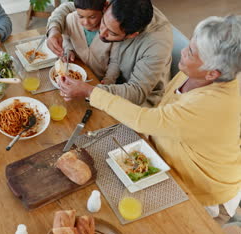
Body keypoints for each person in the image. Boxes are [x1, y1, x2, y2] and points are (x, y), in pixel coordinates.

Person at [61, 15, 241, 218]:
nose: (182, 52)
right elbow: (162, 112)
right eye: (188, 45)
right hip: (167, 164)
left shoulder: (212, 104)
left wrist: (89, 92)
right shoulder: (198, 73)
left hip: (205, 191)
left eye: (190, 52)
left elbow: (144, 120)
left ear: (212, 73)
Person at [48, 0, 173, 106]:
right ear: (106, 6)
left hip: (139, 100)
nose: (101, 34)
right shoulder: (116, 3)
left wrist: (89, 91)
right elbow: (70, 7)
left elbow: (137, 92)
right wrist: (54, 29)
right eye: (103, 22)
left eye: (112, 33)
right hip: (108, 82)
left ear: (131, 35)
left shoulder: (157, 44)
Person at [61, 0, 120, 84]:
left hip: (99, 80)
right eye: (81, 16)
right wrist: (68, 49)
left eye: (92, 17)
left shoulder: (112, 29)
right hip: (75, 73)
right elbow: (66, 38)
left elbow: (115, 62)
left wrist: (108, 80)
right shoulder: (71, 19)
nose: (85, 23)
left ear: (104, 8)